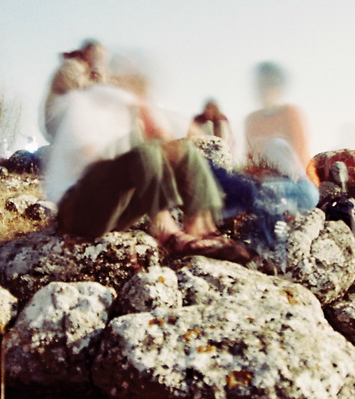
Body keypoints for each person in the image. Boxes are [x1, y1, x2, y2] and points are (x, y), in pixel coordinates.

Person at [44, 58, 250, 262]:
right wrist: (143, 154)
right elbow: (91, 160)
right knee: (145, 153)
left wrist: (150, 118)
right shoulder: (85, 104)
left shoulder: (128, 112)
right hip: (77, 210)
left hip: (115, 209)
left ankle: (201, 228)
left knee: (184, 151)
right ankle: (167, 231)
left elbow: (170, 141)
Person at [244, 61, 319, 213]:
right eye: (261, 85)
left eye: (269, 84)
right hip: (268, 182)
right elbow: (250, 159)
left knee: (275, 145)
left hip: (296, 181)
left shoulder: (290, 113)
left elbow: (300, 157)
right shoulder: (251, 120)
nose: (264, 90)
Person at [42, 39, 109, 141]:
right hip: (59, 119)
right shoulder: (70, 66)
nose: (100, 58)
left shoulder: (90, 71)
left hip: (74, 119)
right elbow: (86, 90)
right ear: (89, 51)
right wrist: (98, 71)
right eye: (98, 54)